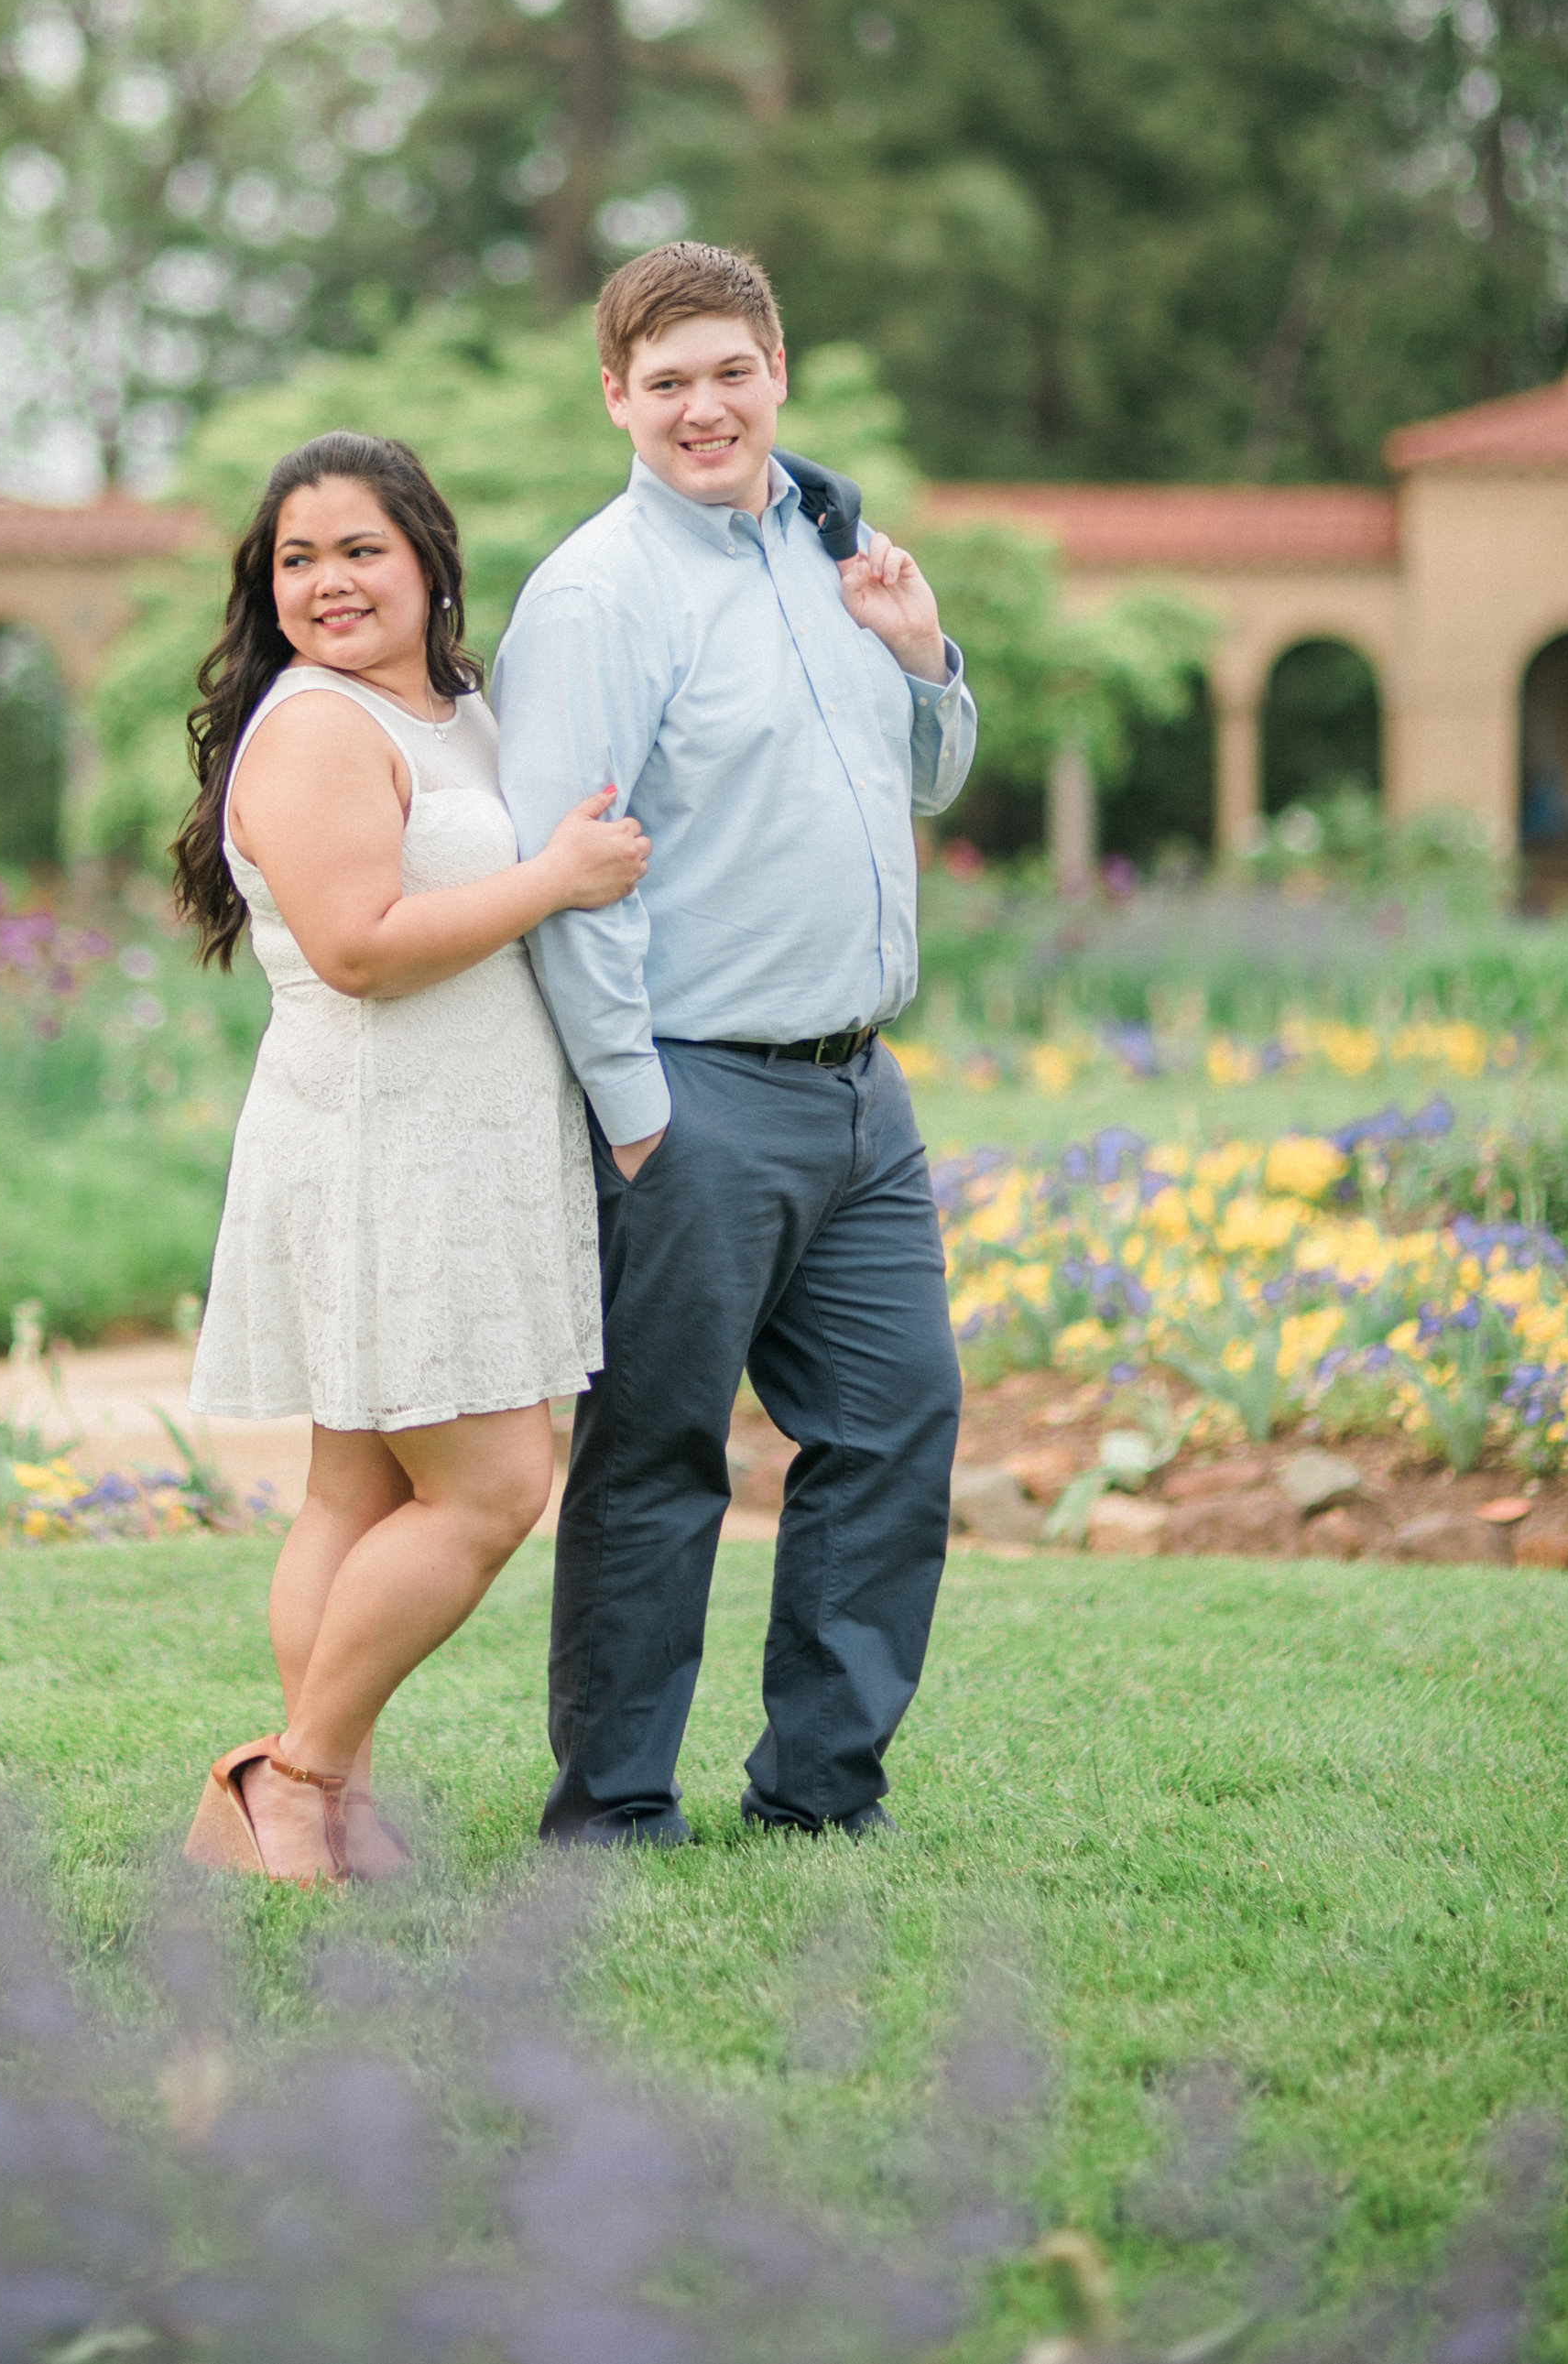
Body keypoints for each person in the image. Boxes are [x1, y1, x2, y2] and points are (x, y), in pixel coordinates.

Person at [491, 243, 976, 1848]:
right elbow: (567, 871)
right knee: (659, 1460)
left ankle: (821, 1791)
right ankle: (615, 1807)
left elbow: (929, 781)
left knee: (895, 1422)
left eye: (732, 369)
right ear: (616, 398)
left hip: (860, 1095)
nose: (706, 405)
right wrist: (635, 1110)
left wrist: (920, 654)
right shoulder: (596, 596)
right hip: (693, 1093)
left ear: (781, 371)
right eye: (668, 378)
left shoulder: (831, 548)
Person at [173, 430, 648, 1885]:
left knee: (358, 1494)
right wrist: (551, 880)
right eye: (297, 557)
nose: (327, 581)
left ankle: (338, 1809)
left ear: (430, 557)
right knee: (498, 1482)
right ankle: (287, 1774)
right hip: (387, 1144)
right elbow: (362, 949)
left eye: (359, 548)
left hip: (463, 1134)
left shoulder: (459, 708)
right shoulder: (318, 724)